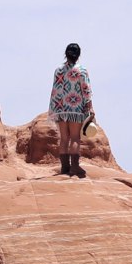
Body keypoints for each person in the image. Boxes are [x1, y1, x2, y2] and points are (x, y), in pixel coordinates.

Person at [48, 42, 94, 177]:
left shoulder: (58, 70)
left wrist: (55, 107)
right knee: (75, 137)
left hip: (60, 107)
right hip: (76, 107)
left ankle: (64, 168)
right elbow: (86, 90)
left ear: (65, 54)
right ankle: (74, 168)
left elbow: (55, 89)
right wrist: (90, 106)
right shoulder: (81, 70)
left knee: (64, 138)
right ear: (78, 55)